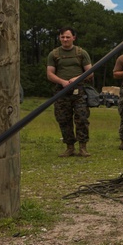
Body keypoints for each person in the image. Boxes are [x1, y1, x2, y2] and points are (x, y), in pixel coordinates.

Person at [46, 27, 94, 157]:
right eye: (62, 37)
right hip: (61, 92)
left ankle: (83, 147)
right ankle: (69, 147)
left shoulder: (81, 53)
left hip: (79, 91)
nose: (65, 39)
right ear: (59, 38)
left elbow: (90, 72)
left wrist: (76, 79)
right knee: (63, 119)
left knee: (82, 119)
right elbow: (50, 74)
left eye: (68, 37)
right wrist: (62, 81)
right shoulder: (54, 54)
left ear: (74, 37)